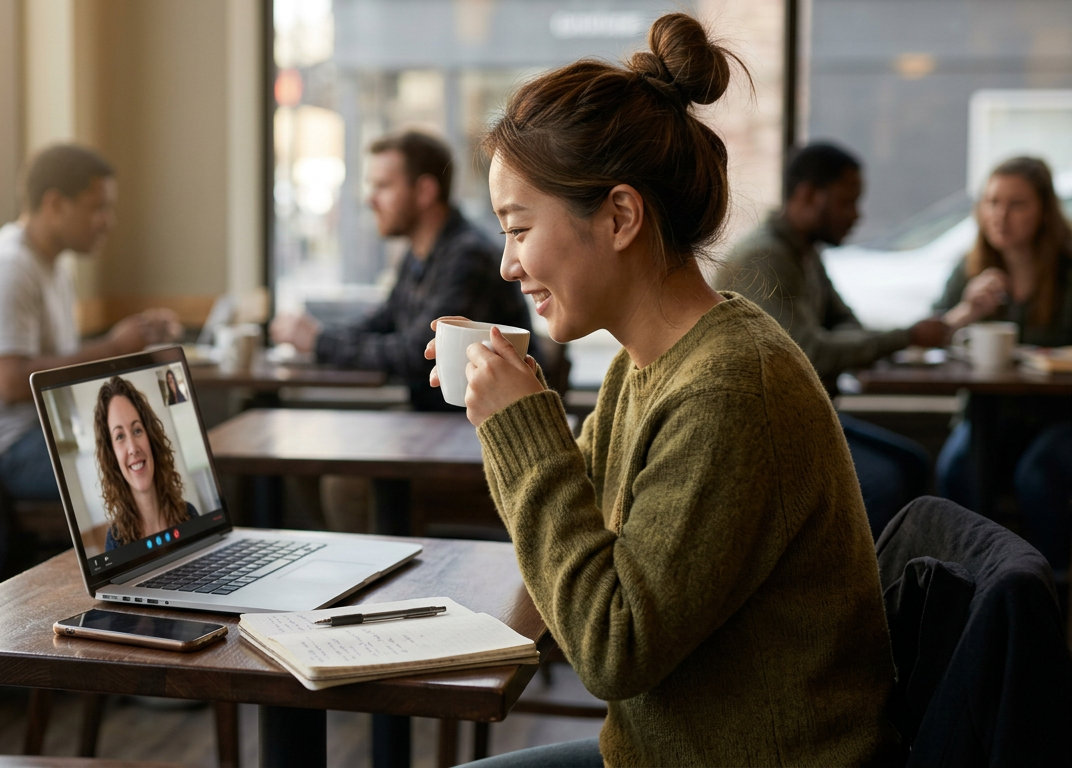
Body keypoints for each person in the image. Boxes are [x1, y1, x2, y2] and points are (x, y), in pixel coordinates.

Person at [427, 14, 900, 766]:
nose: (509, 266)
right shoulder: (647, 363)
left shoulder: (730, 388)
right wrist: (512, 422)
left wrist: (520, 431)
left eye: (518, 229)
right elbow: (576, 541)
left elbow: (613, 647)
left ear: (619, 215)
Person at [715, 142, 949, 536]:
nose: (856, 215)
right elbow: (810, 353)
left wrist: (871, 341)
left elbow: (845, 322)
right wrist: (906, 336)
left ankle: (889, 584)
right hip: (766, 432)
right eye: (846, 202)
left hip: (807, 418)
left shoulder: (804, 252)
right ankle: (847, 589)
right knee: (884, 481)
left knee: (913, 463)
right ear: (807, 195)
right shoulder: (766, 257)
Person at [0, 144, 182, 503]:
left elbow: (57, 361)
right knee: (151, 467)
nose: (108, 223)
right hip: (8, 449)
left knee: (171, 445)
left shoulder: (51, 265)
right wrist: (113, 348)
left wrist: (137, 339)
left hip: (47, 432)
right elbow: (9, 382)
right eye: (98, 208)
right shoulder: (7, 268)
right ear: (55, 205)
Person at [270, 130, 535, 412]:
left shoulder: (468, 257)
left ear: (424, 192)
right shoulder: (419, 253)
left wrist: (320, 342)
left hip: (468, 427)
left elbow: (416, 354)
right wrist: (315, 334)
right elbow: (383, 322)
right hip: (436, 419)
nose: (370, 200)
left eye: (382, 186)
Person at [933, 156, 1072, 569]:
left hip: (1059, 416)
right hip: (989, 413)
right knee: (957, 469)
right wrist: (965, 312)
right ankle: (972, 583)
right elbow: (928, 342)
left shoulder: (1067, 274)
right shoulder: (970, 269)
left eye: (1017, 204)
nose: (1000, 216)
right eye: (992, 202)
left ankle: (1050, 587)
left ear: (1044, 211)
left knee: (1038, 475)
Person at [94, 376, 197, 551]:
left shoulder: (188, 514)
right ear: (112, 456)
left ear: (151, 437)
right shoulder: (116, 541)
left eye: (137, 430)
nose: (133, 448)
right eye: (120, 436)